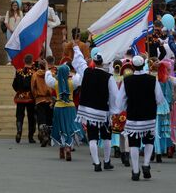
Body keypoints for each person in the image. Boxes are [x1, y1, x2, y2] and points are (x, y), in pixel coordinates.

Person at [73, 44, 119, 172]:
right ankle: (107, 161)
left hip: (88, 112)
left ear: (94, 61)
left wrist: (76, 48)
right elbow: (115, 94)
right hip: (103, 112)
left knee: (92, 137)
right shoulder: (109, 77)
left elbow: (79, 62)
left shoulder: (87, 72)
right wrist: (114, 109)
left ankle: (96, 163)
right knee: (106, 137)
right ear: (103, 62)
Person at [119, 56, 166, 181]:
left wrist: (125, 106)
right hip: (149, 116)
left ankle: (135, 170)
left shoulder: (127, 80)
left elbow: (121, 101)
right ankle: (146, 164)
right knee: (149, 141)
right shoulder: (152, 79)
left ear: (133, 67)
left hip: (133, 116)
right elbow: (159, 99)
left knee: (134, 144)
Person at [45, 63, 84, 161]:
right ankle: (68, 148)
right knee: (70, 128)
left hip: (58, 107)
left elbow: (48, 78)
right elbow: (79, 77)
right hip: (70, 107)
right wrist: (74, 71)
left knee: (60, 127)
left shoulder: (55, 83)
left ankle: (62, 149)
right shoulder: (72, 82)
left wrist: (48, 69)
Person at [12, 54, 37, 144]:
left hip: (20, 97)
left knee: (19, 115)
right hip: (31, 97)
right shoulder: (35, 72)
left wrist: (19, 91)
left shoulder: (18, 72)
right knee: (31, 117)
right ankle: (31, 137)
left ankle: (19, 131)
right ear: (32, 61)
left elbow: (14, 85)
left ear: (24, 61)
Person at [31, 58, 54, 147]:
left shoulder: (35, 75)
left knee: (41, 119)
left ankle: (43, 136)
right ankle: (49, 136)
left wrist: (35, 96)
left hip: (39, 99)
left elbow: (33, 88)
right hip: (49, 99)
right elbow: (53, 86)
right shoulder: (51, 74)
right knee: (49, 118)